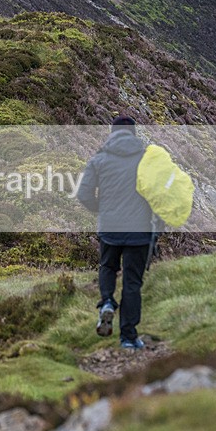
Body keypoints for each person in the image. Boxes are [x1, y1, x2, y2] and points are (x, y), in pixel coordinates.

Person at [76, 116, 153, 350]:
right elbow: (159, 194)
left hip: (110, 227)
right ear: (134, 133)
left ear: (112, 132)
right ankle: (128, 337)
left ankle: (107, 301)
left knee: (108, 266)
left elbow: (83, 194)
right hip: (139, 230)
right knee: (132, 283)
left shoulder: (99, 159)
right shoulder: (147, 159)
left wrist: (102, 209)